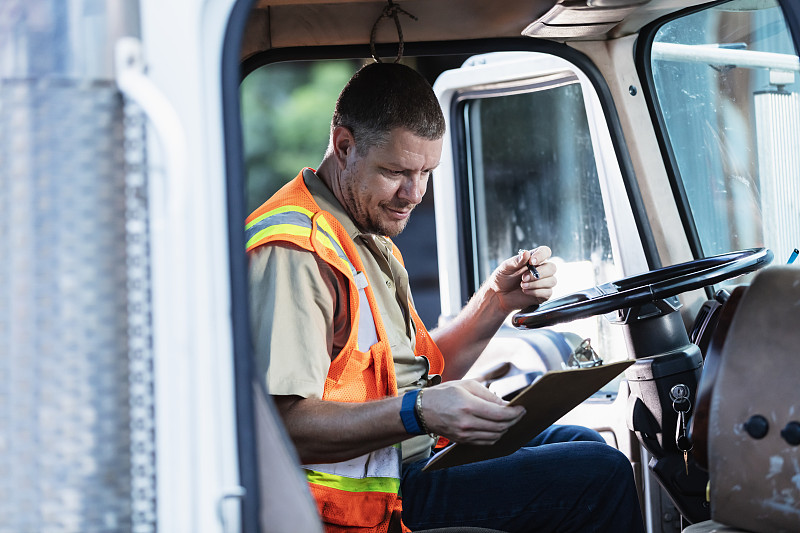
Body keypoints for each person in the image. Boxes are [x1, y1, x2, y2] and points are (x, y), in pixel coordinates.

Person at [246, 61, 645, 533]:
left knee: (584, 443)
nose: (413, 194)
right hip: (367, 507)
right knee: (599, 476)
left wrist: (497, 301)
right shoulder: (297, 251)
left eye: (426, 172)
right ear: (344, 146)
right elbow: (280, 431)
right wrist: (420, 412)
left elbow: (419, 376)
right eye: (396, 172)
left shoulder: (363, 231)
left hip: (406, 463)